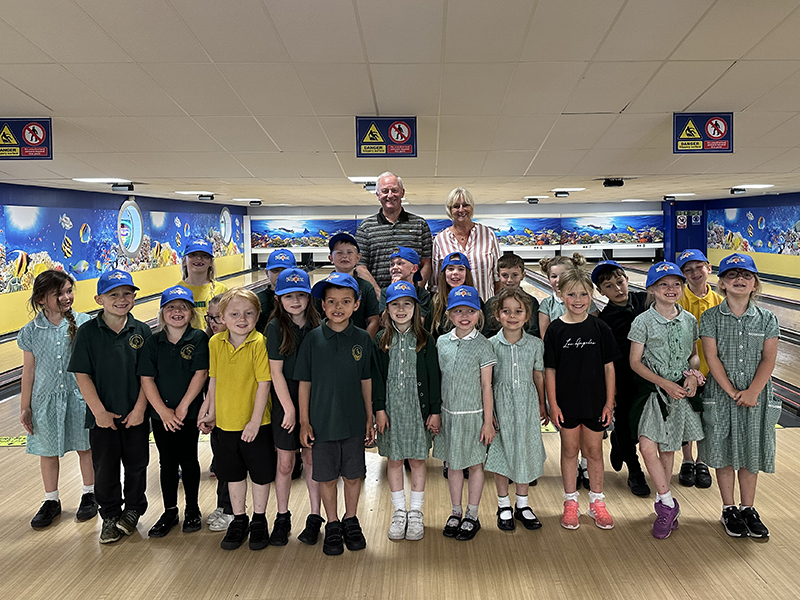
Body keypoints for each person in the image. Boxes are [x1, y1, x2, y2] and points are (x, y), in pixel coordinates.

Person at [68, 270, 152, 544]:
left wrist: (140, 408)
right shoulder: (88, 332)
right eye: (113, 294)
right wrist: (99, 412)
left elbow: (148, 377)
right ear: (99, 299)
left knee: (137, 465)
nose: (121, 299)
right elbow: (83, 375)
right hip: (101, 418)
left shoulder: (142, 331)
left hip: (135, 415)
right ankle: (111, 516)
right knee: (105, 468)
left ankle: (134, 511)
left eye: (127, 293)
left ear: (134, 297)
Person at [700, 254, 779, 539]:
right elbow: (712, 358)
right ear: (721, 283)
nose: (739, 280)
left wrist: (753, 391)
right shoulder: (710, 317)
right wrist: (733, 391)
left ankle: (748, 508)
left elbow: (768, 359)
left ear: (755, 283)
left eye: (746, 275)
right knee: (724, 455)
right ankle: (728, 508)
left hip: (756, 395)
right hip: (722, 395)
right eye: (732, 275)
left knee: (749, 452)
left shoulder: (768, 318)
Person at [295, 272, 374, 556]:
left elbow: (366, 380)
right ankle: (332, 523)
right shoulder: (313, 340)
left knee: (353, 476)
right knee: (326, 478)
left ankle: (351, 519)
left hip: (353, 422)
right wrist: (304, 420)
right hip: (321, 423)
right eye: (331, 301)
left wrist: (369, 417)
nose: (338, 307)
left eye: (345, 301)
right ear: (323, 306)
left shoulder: (363, 339)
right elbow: (305, 383)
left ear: (356, 304)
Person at [629, 262, 705, 540]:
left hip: (680, 394)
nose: (671, 289)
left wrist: (693, 376)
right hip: (653, 392)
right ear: (652, 289)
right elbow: (635, 362)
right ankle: (668, 502)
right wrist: (665, 384)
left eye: (676, 284)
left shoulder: (689, 321)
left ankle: (665, 504)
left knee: (668, 450)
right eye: (664, 284)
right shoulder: (643, 321)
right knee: (648, 446)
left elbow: (693, 355)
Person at [197, 288, 275, 551]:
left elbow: (264, 383)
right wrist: (211, 412)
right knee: (233, 475)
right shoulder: (215, 343)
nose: (242, 319)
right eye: (234, 314)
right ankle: (239, 519)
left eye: (248, 313)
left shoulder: (260, 343)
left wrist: (254, 421)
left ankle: (260, 520)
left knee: (261, 475)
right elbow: (214, 380)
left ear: (257, 315)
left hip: (257, 424)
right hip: (225, 424)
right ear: (222, 317)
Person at [18, 270, 95, 529]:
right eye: (59, 293)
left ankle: (89, 493)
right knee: (48, 452)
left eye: (69, 291)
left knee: (85, 447)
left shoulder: (84, 322)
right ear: (41, 298)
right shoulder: (30, 331)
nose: (66, 297)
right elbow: (28, 371)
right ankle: (51, 500)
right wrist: (25, 407)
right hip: (45, 400)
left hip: (79, 397)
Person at [544, 268, 619, 531]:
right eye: (572, 294)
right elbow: (550, 370)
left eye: (584, 294)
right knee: (569, 451)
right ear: (560, 294)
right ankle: (570, 502)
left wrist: (609, 402)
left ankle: (597, 502)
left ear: (591, 295)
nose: (578, 299)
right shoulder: (555, 330)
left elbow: (609, 368)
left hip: (595, 402)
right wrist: (552, 404)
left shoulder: (600, 328)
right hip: (566, 404)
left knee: (594, 452)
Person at [372, 281, 441, 541]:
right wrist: (379, 409)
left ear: (415, 307)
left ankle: (415, 512)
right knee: (394, 460)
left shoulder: (424, 340)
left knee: (417, 460)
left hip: (417, 411)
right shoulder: (381, 339)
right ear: (387, 309)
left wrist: (434, 411)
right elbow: (376, 378)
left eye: (407, 304)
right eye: (395, 304)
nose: (401, 309)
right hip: (391, 411)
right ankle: (399, 511)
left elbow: (434, 378)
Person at [138, 285, 209, 538]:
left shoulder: (199, 338)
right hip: (161, 416)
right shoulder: (152, 342)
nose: (177, 311)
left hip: (188, 413)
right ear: (162, 312)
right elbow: (147, 379)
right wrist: (163, 412)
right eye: (171, 307)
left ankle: (192, 508)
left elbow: (200, 373)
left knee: (189, 460)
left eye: (182, 307)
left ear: (191, 312)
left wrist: (182, 407)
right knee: (167, 462)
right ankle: (170, 510)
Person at [265, 268, 324, 546]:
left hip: (313, 398)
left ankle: (315, 517)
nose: (296, 301)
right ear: (279, 298)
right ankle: (282, 516)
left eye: (301, 295)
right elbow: (275, 372)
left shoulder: (317, 325)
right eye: (289, 296)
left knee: (311, 459)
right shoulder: (275, 327)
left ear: (309, 297)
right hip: (285, 398)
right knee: (286, 462)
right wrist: (289, 409)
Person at [433, 285, 496, 541]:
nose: (464, 316)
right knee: (453, 465)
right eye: (458, 311)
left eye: (470, 311)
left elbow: (486, 385)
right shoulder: (441, 342)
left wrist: (488, 421)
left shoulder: (483, 346)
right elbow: (438, 380)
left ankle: (472, 514)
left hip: (474, 416)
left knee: (475, 464)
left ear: (478, 314)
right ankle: (455, 511)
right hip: (449, 415)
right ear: (449, 315)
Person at [485, 288, 547, 532]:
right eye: (506, 311)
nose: (512, 316)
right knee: (502, 455)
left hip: (527, 406)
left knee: (525, 452)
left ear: (527, 315)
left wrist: (543, 404)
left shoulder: (535, 344)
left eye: (518, 311)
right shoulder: (490, 345)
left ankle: (522, 504)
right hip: (501, 408)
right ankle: (503, 505)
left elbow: (538, 376)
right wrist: (489, 414)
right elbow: (487, 383)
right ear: (498, 315)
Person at [539, 253, 598, 489]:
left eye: (562, 275)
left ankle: (585, 464)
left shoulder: (587, 303)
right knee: (568, 427)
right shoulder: (546, 304)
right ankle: (573, 470)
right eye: (554, 276)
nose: (558, 280)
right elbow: (545, 338)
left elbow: (593, 331)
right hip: (561, 371)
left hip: (586, 373)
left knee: (589, 430)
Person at [592, 260, 650, 497]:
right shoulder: (605, 320)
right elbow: (607, 360)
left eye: (620, 282)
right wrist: (610, 390)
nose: (617, 289)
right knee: (625, 423)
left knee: (646, 424)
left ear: (627, 279)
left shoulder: (646, 301)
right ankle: (634, 471)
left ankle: (618, 442)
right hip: (625, 378)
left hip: (652, 375)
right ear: (600, 291)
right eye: (609, 286)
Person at [676, 249, 723, 489]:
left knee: (709, 418)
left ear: (708, 268)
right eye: (688, 270)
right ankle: (686, 460)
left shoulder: (719, 301)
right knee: (687, 417)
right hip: (685, 371)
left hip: (714, 372)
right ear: (683, 275)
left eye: (698, 267)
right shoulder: (678, 299)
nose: (695, 273)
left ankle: (702, 461)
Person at [355, 172, 433, 295]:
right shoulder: (366, 227)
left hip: (411, 300)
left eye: (394, 190)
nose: (390, 195)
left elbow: (426, 263)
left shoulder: (419, 224)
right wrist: (380, 295)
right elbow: (360, 266)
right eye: (385, 191)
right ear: (377, 194)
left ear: (402, 192)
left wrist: (415, 291)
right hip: (376, 301)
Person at [432, 187, 500, 302]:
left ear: (472, 207)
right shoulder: (440, 239)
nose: (461, 209)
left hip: (485, 304)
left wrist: (495, 305)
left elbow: (498, 276)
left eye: (465, 205)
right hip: (453, 308)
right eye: (456, 206)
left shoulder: (488, 234)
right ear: (450, 210)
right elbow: (435, 282)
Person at [202, 294, 235, 533]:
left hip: (236, 414)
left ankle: (232, 509)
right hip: (218, 415)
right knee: (221, 463)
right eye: (210, 317)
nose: (214, 322)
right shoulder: (210, 342)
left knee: (232, 466)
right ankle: (223, 506)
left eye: (219, 317)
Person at [326, 232, 380, 339]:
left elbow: (374, 319)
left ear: (358, 258)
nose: (345, 256)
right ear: (330, 258)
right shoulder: (323, 286)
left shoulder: (366, 287)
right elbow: (315, 318)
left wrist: (364, 343)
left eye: (350, 252)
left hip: (358, 344)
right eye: (339, 253)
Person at [483, 253, 540, 339]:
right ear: (498, 276)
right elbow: (486, 333)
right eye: (505, 275)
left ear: (523, 275)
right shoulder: (491, 303)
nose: (509, 280)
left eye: (515, 275)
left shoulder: (532, 302)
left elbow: (534, 332)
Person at [430, 251, 481, 340]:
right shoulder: (436, 302)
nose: (455, 273)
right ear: (444, 273)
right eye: (450, 269)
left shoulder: (476, 300)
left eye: (461, 269)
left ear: (467, 274)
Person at [179, 238, 228, 329]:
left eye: (205, 255)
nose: (199, 258)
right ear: (184, 261)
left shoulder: (221, 289)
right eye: (193, 255)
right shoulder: (177, 291)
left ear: (210, 263)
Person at [378, 247, 432, 326]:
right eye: (392, 265)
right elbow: (384, 321)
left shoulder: (423, 294)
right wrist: (393, 293)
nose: (395, 267)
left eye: (400, 263)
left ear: (414, 268)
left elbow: (421, 322)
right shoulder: (385, 292)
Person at [256, 248, 297, 333]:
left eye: (286, 270)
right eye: (275, 270)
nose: (281, 274)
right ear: (267, 272)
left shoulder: (304, 298)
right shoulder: (257, 300)